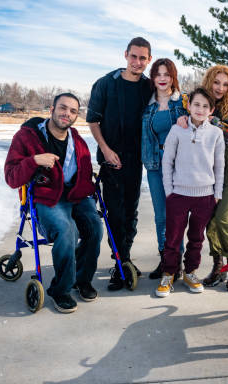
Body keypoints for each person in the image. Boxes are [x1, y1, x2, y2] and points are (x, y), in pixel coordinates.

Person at [4, 93, 103, 313]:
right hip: (47, 197)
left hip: (75, 196)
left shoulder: (77, 140)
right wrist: (34, 161)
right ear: (52, 109)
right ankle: (61, 290)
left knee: (95, 227)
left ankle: (81, 279)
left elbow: (85, 173)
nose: (67, 114)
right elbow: (11, 177)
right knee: (66, 230)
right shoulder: (27, 137)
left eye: (73, 111)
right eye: (63, 108)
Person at [86, 37, 153, 291]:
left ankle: (123, 258)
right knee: (114, 213)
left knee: (130, 212)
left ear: (149, 60)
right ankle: (121, 262)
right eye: (133, 56)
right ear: (125, 55)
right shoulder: (105, 84)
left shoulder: (148, 87)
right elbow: (93, 120)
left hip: (136, 160)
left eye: (142, 58)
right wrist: (105, 148)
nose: (137, 62)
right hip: (111, 159)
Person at [155, 87, 225, 297]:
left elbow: (219, 165)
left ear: (211, 110)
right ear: (188, 106)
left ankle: (191, 272)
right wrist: (169, 190)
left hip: (205, 196)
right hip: (179, 195)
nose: (200, 109)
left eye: (205, 106)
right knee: (173, 238)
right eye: (196, 104)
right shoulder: (177, 130)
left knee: (196, 238)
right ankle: (169, 273)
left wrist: (217, 193)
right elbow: (167, 161)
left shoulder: (216, 133)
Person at [179, 65, 228, 287]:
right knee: (209, 219)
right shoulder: (200, 102)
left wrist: (214, 122)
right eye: (216, 82)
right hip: (207, 166)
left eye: (225, 84)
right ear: (209, 81)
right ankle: (219, 269)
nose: (220, 88)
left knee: (225, 219)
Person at [141, 58, 188, 280]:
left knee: (176, 215)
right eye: (158, 74)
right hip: (154, 164)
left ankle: (177, 260)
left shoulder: (183, 103)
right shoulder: (146, 105)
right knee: (161, 216)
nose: (162, 78)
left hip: (179, 165)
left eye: (166, 74)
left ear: (173, 77)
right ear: (153, 77)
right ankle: (166, 261)